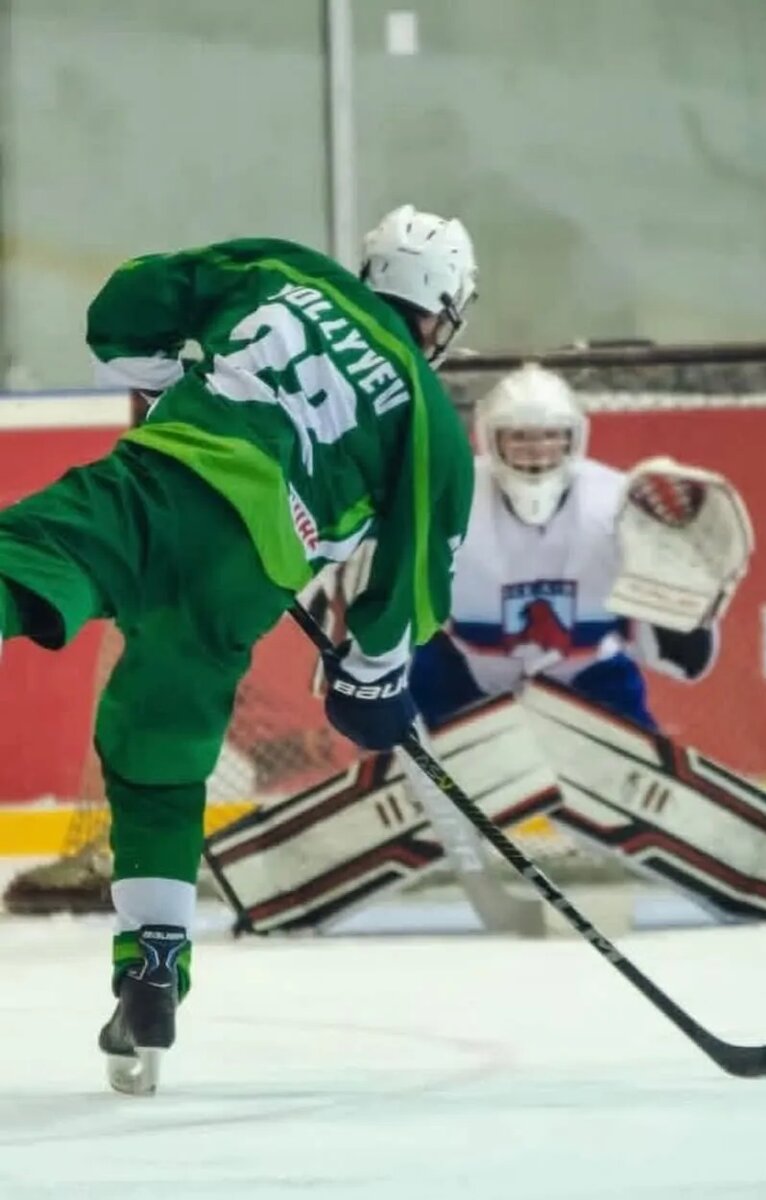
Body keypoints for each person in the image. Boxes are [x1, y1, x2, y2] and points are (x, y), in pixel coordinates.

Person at [0, 206, 477, 1093]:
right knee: (160, 752)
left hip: (156, 485)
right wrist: (372, 677)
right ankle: (152, 967)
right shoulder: (428, 413)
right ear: (443, 308)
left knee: (21, 565)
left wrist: (167, 380)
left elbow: (129, 302)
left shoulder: (286, 269)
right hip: (246, 575)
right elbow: (414, 576)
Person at [409, 363, 723, 731]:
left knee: (631, 743)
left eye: (551, 437)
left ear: (575, 438)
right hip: (467, 674)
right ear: (489, 439)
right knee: (414, 690)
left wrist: (681, 595)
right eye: (519, 437)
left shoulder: (621, 508)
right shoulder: (445, 503)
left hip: (589, 678)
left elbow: (683, 660)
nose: (537, 451)